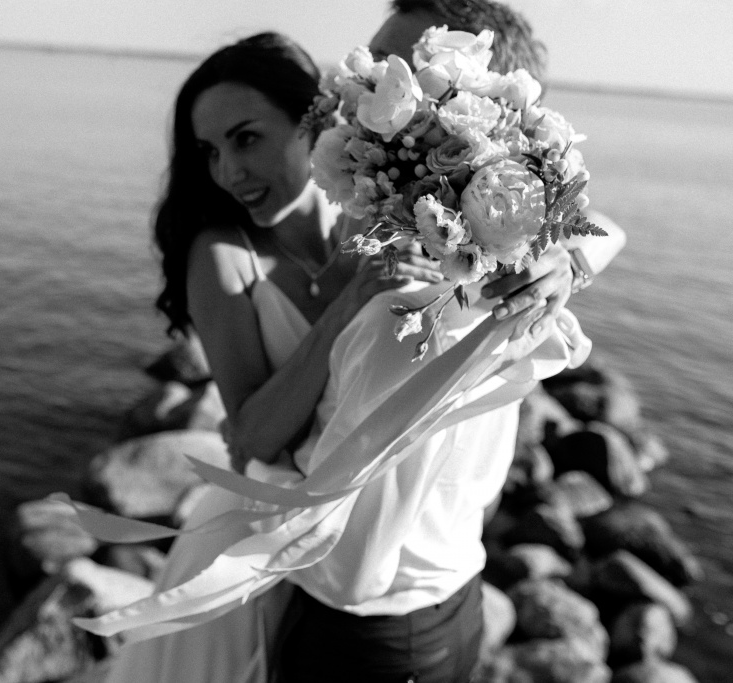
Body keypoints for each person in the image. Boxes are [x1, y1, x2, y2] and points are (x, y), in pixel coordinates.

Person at [79, 6, 620, 681]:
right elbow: (251, 437)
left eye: (246, 139)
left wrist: (568, 257)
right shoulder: (223, 255)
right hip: (270, 548)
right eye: (210, 152)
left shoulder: (385, 210)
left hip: (398, 568)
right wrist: (347, 303)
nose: (229, 173)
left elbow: (588, 225)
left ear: (313, 124)